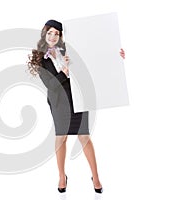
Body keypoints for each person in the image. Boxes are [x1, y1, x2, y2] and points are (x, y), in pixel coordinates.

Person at [27, 19, 125, 193]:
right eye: (49, 32)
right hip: (58, 100)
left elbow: (94, 57)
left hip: (78, 96)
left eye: (56, 33)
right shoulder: (40, 57)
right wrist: (65, 72)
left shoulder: (69, 49)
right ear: (44, 33)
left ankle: (95, 176)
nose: (52, 36)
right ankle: (61, 176)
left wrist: (115, 56)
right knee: (61, 137)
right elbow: (50, 85)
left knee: (84, 136)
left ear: (61, 36)